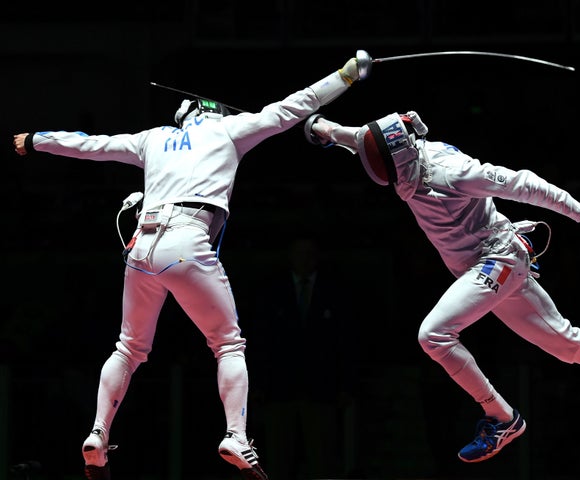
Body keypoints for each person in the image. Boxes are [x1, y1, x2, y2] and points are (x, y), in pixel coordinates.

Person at [11, 51, 370, 480]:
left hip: (142, 245)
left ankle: (98, 434)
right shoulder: (231, 130)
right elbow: (297, 105)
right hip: (187, 241)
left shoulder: (153, 139)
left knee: (129, 347)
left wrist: (36, 139)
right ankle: (235, 436)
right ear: (211, 114)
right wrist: (347, 75)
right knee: (228, 344)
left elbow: (92, 145)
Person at [302, 110, 580, 463]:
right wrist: (317, 126)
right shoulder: (395, 152)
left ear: (402, 156)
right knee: (569, 346)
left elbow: (525, 184)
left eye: (383, 162)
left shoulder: (452, 171)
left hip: (498, 258)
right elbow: (354, 137)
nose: (379, 171)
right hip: (482, 268)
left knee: (434, 335)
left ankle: (501, 418)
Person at [248, 235, 357, 479]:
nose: (305, 259)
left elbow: (346, 342)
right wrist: (258, 386)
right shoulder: (273, 292)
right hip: (279, 391)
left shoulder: (335, 292)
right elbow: (261, 341)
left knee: (322, 459)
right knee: (278, 459)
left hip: (321, 391)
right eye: (300, 253)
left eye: (309, 253)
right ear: (291, 256)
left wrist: (345, 386)